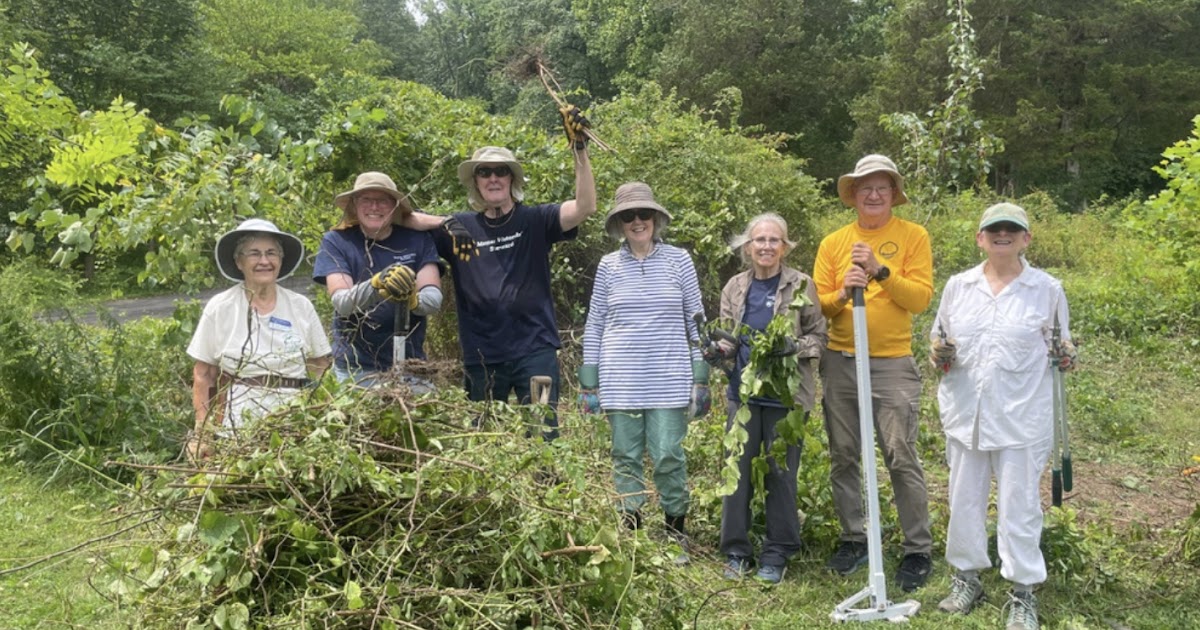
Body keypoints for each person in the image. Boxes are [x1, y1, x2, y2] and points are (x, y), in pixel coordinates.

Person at [402, 107, 596, 439]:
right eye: (484, 172)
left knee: (543, 434)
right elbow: (402, 218)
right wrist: (446, 222)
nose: (493, 178)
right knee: (483, 438)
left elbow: (584, 207)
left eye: (501, 171)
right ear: (475, 182)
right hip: (481, 354)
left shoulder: (535, 219)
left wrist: (579, 148)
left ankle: (544, 485)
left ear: (512, 179)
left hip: (535, 353)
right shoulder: (461, 226)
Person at [930, 202, 1076, 630]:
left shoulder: (1047, 289)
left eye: (1013, 230)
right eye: (994, 229)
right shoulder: (958, 286)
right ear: (980, 238)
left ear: (1026, 238)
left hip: (1021, 417)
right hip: (965, 414)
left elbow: (1063, 351)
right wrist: (938, 353)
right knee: (964, 500)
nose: (1003, 235)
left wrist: (1067, 356)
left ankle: (1022, 593)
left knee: (1020, 506)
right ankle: (966, 578)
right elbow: (939, 344)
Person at [812, 154, 935, 592]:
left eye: (882, 186)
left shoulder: (913, 236)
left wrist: (881, 273)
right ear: (854, 195)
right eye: (865, 187)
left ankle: (917, 548)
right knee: (844, 455)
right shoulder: (833, 243)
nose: (874, 194)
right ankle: (854, 537)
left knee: (901, 454)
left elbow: (919, 299)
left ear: (893, 194)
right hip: (841, 359)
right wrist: (845, 290)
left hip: (892, 363)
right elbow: (819, 305)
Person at [579, 182, 707, 563]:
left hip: (670, 377)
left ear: (655, 218)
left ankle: (675, 530)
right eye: (629, 216)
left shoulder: (679, 261)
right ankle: (631, 530)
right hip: (620, 380)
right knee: (625, 455)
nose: (637, 222)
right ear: (619, 223)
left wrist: (701, 377)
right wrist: (589, 382)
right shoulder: (608, 266)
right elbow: (596, 323)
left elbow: (696, 320)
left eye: (644, 214)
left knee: (668, 454)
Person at [711, 213, 827, 584]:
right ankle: (736, 550)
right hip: (742, 396)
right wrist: (717, 351)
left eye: (774, 240)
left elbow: (819, 338)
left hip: (786, 398)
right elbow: (728, 339)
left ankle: (777, 551)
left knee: (780, 475)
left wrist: (795, 346)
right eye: (759, 240)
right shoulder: (735, 286)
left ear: (785, 246)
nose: (766, 246)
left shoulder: (801, 285)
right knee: (737, 473)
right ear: (748, 247)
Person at [186, 218, 332, 459]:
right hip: (237, 423)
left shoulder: (300, 306)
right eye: (254, 254)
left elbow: (320, 365)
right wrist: (202, 431)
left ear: (281, 260)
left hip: (294, 421)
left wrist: (319, 410)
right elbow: (204, 374)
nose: (264, 261)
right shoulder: (220, 307)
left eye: (271, 253)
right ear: (239, 261)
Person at [313, 172, 443, 388]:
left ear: (394, 206)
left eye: (382, 200)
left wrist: (413, 301)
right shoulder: (336, 241)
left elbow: (434, 298)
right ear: (354, 205)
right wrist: (376, 284)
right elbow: (343, 303)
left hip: (411, 366)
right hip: (355, 368)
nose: (374, 207)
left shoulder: (418, 240)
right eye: (366, 199)